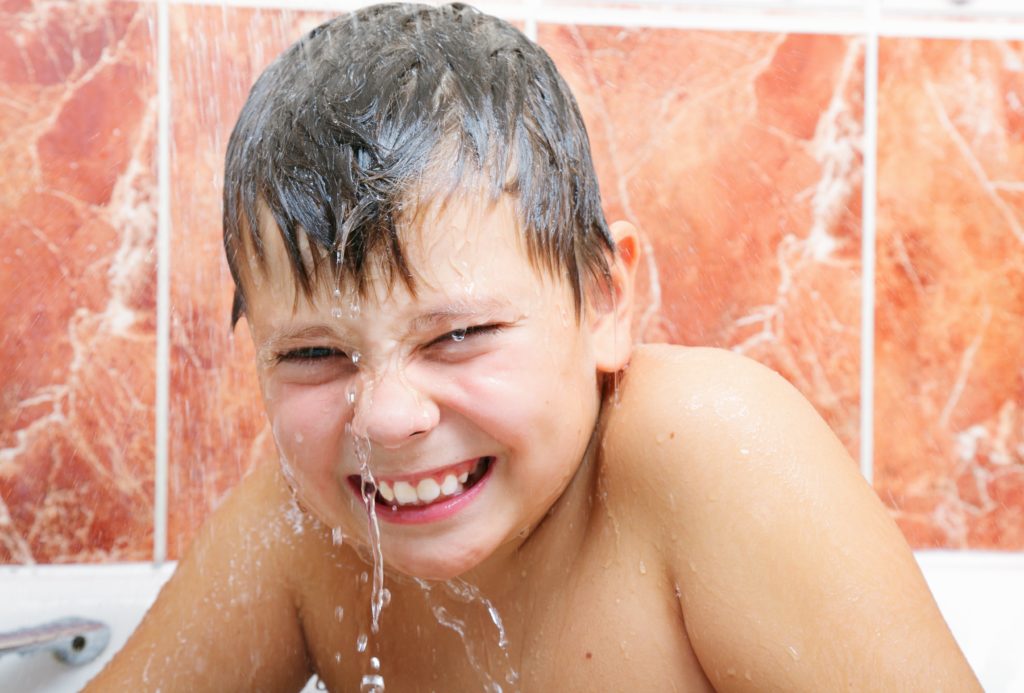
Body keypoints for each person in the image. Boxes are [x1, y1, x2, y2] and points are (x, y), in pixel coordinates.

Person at [86, 3, 980, 690]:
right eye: (314, 356)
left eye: (460, 334)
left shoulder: (706, 452)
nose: (388, 416)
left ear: (604, 297)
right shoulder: (302, 525)